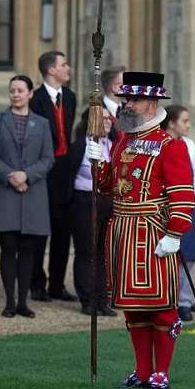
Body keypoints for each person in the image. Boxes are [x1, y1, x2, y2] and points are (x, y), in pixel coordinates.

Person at [87, 71, 195, 389]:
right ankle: (143, 369)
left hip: (153, 231)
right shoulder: (123, 142)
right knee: (134, 309)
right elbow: (109, 187)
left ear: (152, 103)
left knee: (162, 307)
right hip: (123, 229)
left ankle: (162, 370)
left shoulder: (171, 146)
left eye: (133, 99)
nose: (127, 105)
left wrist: (175, 234)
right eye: (126, 99)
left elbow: (183, 194)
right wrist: (99, 163)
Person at [0, 75, 54, 318]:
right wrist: (11, 175)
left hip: (33, 193)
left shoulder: (42, 123)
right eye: (12, 90)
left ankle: (23, 302)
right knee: (8, 246)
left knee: (28, 249)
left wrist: (27, 176)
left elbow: (48, 158)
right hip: (5, 192)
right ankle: (10, 302)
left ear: (30, 93)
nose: (16, 94)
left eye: (20, 90)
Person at [29, 50, 77, 302]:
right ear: (51, 70)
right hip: (43, 170)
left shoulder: (70, 97)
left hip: (64, 171)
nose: (68, 68)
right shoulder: (35, 100)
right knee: (39, 232)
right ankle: (37, 283)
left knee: (62, 232)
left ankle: (57, 284)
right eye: (64, 64)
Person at [68, 108, 118, 317]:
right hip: (85, 201)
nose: (108, 122)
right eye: (103, 118)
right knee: (87, 252)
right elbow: (69, 174)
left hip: (107, 201)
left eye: (109, 118)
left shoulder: (113, 146)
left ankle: (103, 299)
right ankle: (88, 299)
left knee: (103, 252)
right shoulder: (81, 145)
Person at [161, 104, 195, 322]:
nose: (188, 125)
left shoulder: (190, 145)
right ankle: (166, 299)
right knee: (168, 255)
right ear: (171, 122)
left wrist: (190, 205)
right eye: (184, 121)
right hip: (166, 206)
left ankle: (184, 300)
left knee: (190, 253)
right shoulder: (160, 144)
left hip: (189, 204)